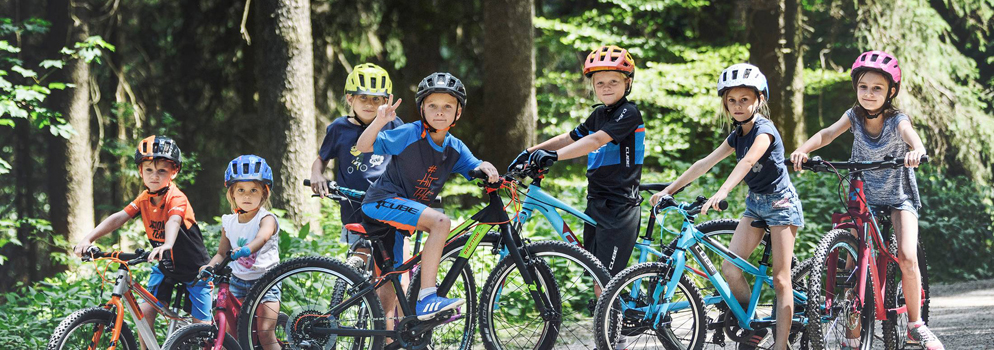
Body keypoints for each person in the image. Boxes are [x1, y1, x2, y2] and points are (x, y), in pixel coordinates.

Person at [790, 50, 941, 350]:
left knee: (907, 257)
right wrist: (803, 149)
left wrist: (916, 151)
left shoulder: (896, 119)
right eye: (863, 87)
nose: (869, 94)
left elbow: (912, 136)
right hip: (862, 195)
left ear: (891, 92)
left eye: (877, 88)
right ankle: (853, 336)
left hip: (899, 196)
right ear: (855, 89)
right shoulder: (854, 117)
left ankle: (914, 325)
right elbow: (827, 134)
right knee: (851, 268)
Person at [650, 63, 804, 350]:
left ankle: (782, 346)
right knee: (730, 269)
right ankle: (753, 323)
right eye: (731, 100)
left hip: (781, 204)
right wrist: (669, 189)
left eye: (744, 99)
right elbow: (704, 163)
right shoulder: (737, 134)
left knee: (781, 280)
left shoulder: (764, 130)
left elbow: (747, 162)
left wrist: (722, 192)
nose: (737, 105)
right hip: (756, 205)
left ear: (759, 99)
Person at [355, 72, 499, 324]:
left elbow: (475, 166)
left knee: (392, 281)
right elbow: (363, 145)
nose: (440, 112)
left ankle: (386, 341)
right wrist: (379, 121)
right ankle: (427, 297)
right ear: (422, 109)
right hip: (379, 202)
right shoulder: (410, 133)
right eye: (432, 105)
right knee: (440, 222)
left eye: (447, 106)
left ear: (458, 112)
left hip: (399, 221)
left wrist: (488, 167)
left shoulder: (455, 147)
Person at [510, 45, 645, 277]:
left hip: (619, 207)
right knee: (595, 275)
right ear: (592, 86)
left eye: (614, 81)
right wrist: (529, 152)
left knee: (604, 279)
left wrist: (554, 157)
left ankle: (612, 314)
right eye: (599, 82)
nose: (606, 87)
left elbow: (595, 141)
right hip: (596, 202)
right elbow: (569, 138)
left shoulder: (628, 112)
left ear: (627, 83)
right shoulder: (599, 114)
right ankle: (610, 313)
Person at [73, 136, 211, 349]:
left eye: (162, 171)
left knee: (202, 330)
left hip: (195, 270)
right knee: (144, 314)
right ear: (140, 172)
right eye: (149, 170)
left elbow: (174, 220)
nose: (154, 176)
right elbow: (119, 217)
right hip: (165, 267)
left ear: (174, 172)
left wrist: (167, 243)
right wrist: (88, 238)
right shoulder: (144, 199)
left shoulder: (176, 198)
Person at [201, 155, 281, 350]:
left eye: (254, 190)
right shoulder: (228, 222)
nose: (247, 196)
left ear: (264, 192)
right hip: (238, 282)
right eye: (241, 190)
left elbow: (262, 238)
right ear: (232, 194)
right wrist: (209, 267)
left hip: (266, 281)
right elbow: (222, 253)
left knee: (264, 331)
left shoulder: (267, 218)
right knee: (231, 331)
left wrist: (246, 249)